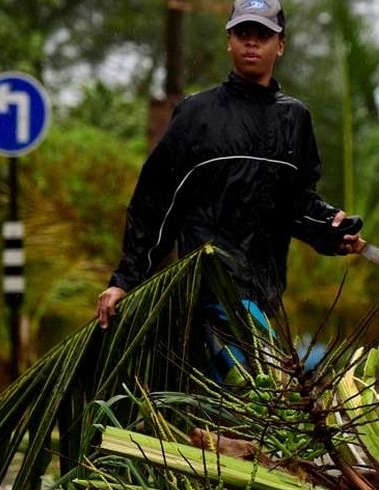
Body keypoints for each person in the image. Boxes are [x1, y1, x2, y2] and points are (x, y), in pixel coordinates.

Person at [95, 0, 360, 338]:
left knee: (257, 388)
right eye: (243, 33)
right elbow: (155, 203)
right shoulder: (196, 115)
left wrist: (331, 229)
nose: (251, 42)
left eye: (262, 35)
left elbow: (295, 204)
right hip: (207, 293)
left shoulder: (294, 119)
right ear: (229, 40)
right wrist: (125, 280)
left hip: (264, 294)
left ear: (280, 45)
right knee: (245, 377)